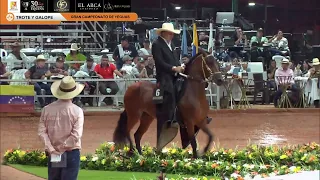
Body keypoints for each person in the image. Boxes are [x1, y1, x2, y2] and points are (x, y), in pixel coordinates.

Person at [152, 23, 212, 134]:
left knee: (191, 88)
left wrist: (181, 66)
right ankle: (172, 118)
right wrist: (174, 68)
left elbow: (175, 59)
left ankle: (197, 113)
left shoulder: (172, 44)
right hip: (164, 75)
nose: (172, 35)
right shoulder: (156, 44)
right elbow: (159, 62)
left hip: (176, 73)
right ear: (163, 33)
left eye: (172, 34)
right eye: (170, 33)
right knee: (170, 91)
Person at [38, 76, 84, 180]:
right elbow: (76, 135)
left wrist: (51, 149)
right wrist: (62, 148)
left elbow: (42, 132)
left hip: (54, 152)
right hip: (70, 151)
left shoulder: (46, 109)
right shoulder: (77, 111)